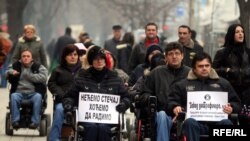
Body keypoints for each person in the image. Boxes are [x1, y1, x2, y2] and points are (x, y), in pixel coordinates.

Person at [168, 52, 241, 141]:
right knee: (189, 122)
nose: (204, 68)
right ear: (194, 69)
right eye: (200, 66)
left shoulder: (223, 84)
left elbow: (237, 103)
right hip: (195, 124)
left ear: (211, 67)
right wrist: (175, 107)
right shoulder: (182, 85)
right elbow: (171, 101)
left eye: (207, 65)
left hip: (217, 123)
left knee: (226, 123)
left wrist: (232, 108)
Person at [63, 46, 130, 141]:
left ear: (105, 60)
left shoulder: (115, 79)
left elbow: (127, 97)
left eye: (101, 58)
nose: (99, 61)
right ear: (91, 61)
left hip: (108, 120)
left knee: (103, 128)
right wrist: (69, 105)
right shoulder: (82, 78)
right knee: (92, 128)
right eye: (96, 59)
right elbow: (69, 96)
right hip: (87, 120)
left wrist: (124, 104)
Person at [140, 42, 190, 141]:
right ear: (165, 57)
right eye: (171, 54)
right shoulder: (156, 72)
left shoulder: (190, 73)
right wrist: (150, 99)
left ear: (182, 56)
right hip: (162, 113)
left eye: (177, 53)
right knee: (162, 115)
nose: (174, 56)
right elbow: (144, 93)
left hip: (184, 113)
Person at [6, 49, 48, 129]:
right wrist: (12, 72)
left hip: (33, 93)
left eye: (28, 56)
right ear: (21, 58)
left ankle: (35, 122)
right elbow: (7, 71)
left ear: (31, 58)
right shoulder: (16, 65)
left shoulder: (38, 66)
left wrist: (30, 76)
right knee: (14, 96)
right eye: (24, 56)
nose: (26, 58)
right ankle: (15, 121)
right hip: (19, 92)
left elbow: (44, 77)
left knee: (38, 97)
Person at [48, 44, 82, 141]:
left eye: (75, 54)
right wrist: (61, 94)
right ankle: (54, 138)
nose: (73, 57)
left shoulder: (83, 71)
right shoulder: (58, 70)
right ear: (65, 57)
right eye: (70, 55)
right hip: (62, 100)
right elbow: (51, 83)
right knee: (59, 110)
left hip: (80, 101)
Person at [212, 23, 250, 104]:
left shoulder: (248, 52)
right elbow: (212, 70)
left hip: (247, 92)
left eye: (242, 31)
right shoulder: (222, 52)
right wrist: (226, 70)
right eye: (237, 32)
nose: (240, 34)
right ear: (231, 34)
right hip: (229, 90)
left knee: (245, 115)